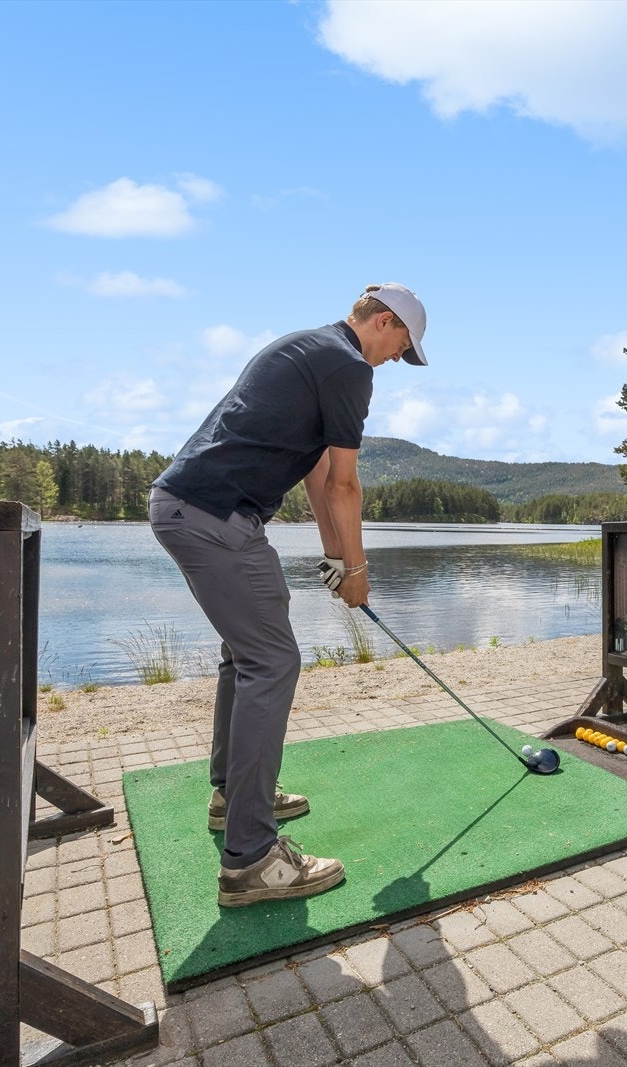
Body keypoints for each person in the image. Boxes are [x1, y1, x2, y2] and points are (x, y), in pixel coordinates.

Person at [148, 283, 427, 907]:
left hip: (193, 508)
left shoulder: (308, 347)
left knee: (246, 656)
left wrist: (336, 558)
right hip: (214, 516)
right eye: (400, 347)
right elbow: (347, 486)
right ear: (382, 322)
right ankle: (250, 860)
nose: (393, 362)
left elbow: (317, 473)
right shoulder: (350, 365)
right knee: (272, 662)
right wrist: (355, 571)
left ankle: (232, 797)